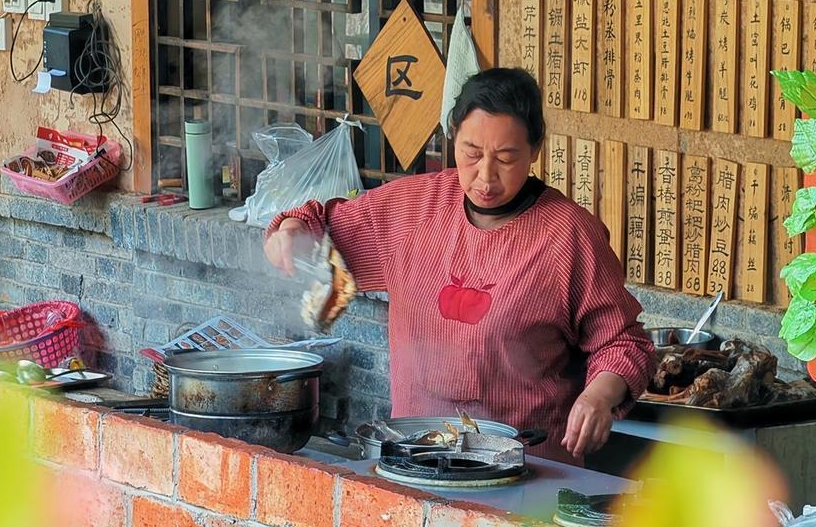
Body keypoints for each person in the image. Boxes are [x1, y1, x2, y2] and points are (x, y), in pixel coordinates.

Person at [265, 66, 654, 463]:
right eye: (471, 153)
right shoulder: (412, 208)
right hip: (416, 458)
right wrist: (291, 231)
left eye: (506, 158)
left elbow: (624, 343)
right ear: (453, 137)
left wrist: (598, 397)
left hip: (530, 464)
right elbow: (315, 222)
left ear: (536, 150)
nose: (486, 177)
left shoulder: (569, 235)